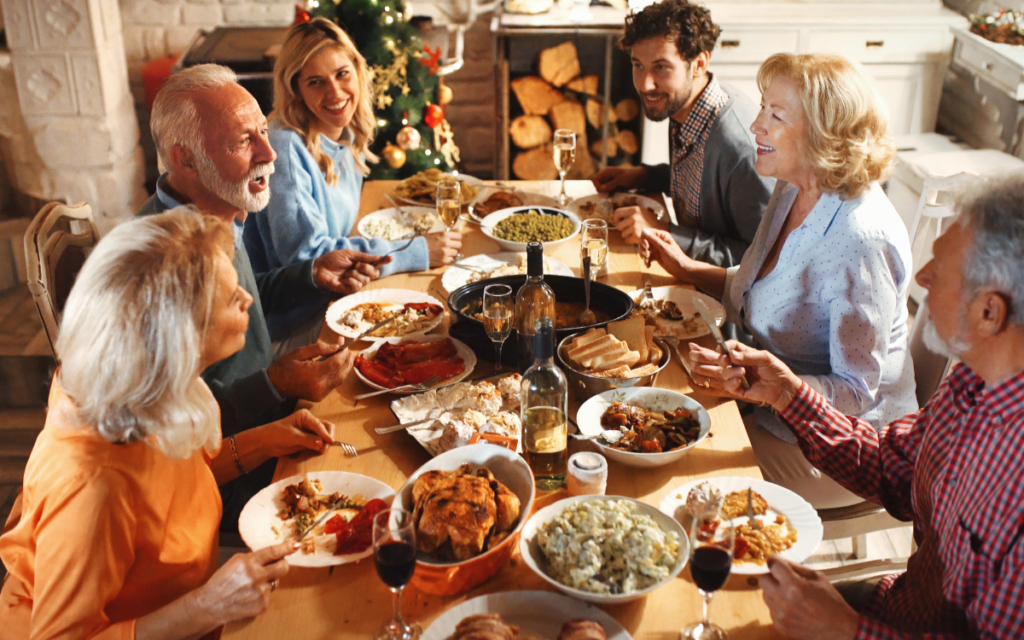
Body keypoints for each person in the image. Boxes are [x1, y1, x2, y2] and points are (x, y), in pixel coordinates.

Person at [689, 174, 1024, 639]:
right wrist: (789, 395)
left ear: (990, 313)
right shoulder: (973, 382)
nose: (920, 279)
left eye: (940, 271)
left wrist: (846, 630)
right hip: (895, 608)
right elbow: (893, 467)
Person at [0, 210, 337, 639]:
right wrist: (207, 605)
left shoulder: (143, 383)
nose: (247, 299)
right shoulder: (92, 485)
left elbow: (174, 489)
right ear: (178, 339)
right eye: (231, 298)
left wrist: (269, 440)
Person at [643, 52, 917, 509]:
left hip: (843, 448)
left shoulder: (860, 240)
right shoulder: (793, 187)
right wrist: (688, 270)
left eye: (775, 114)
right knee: (654, 416)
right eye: (762, 108)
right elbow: (764, 286)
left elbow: (855, 391)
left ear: (825, 132)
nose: (756, 126)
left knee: (676, 467)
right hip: (771, 405)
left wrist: (767, 387)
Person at [140, 64, 387, 529]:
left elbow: (242, 307)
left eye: (262, 132)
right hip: (227, 481)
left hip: (272, 418)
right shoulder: (160, 267)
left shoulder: (219, 210)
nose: (270, 153)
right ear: (185, 160)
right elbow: (180, 431)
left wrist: (310, 274)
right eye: (243, 142)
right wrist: (276, 384)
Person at [244, 18, 462, 274]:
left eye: (342, 74)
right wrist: (413, 252)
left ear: (357, 72)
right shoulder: (285, 147)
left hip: (344, 288)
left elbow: (339, 235)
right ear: (296, 89)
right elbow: (308, 259)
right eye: (316, 81)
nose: (335, 92)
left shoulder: (346, 133)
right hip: (300, 309)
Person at [590, 0, 773, 268]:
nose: (645, 84)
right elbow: (700, 184)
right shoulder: (684, 106)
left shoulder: (739, 148)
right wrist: (644, 175)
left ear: (698, 63)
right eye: (638, 65)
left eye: (661, 67)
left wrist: (666, 232)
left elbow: (762, 259)